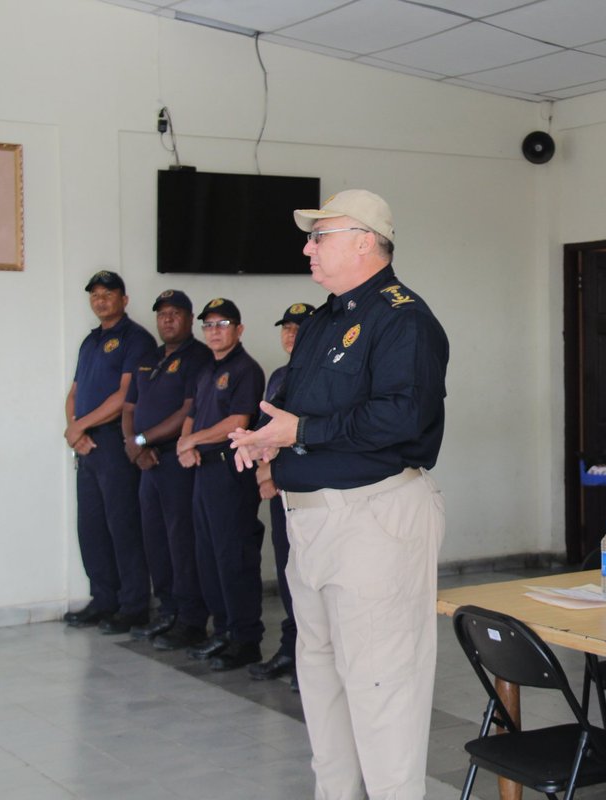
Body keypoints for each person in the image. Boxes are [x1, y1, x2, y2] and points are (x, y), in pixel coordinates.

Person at [229, 189, 449, 799]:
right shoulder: (327, 317)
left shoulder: (404, 318)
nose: (307, 247)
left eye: (319, 236)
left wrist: (302, 431)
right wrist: (270, 439)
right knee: (322, 683)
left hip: (373, 520)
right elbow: (300, 409)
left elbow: (405, 416)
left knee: (382, 689)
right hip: (312, 524)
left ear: (364, 241)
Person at [63, 270, 155, 632]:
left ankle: (132, 607)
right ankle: (103, 601)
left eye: (108, 294)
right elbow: (73, 393)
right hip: (87, 446)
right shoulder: (90, 342)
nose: (101, 300)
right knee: (92, 527)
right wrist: (75, 432)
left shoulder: (136, 339)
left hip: (115, 443)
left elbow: (124, 397)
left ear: (124, 299)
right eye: (95, 295)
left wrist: (79, 426)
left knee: (123, 526)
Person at [120, 290, 213, 647]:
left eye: (176, 314)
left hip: (176, 461)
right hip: (147, 463)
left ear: (190, 319)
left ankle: (190, 619)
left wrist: (141, 441)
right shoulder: (148, 357)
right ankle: (168, 610)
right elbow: (129, 408)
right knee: (155, 539)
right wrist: (134, 446)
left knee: (181, 541)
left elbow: (186, 412)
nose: (168, 320)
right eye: (162, 314)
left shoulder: (199, 357)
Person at [177, 298, 266, 671]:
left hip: (232, 472)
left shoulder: (246, 369)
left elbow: (238, 420)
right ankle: (224, 630)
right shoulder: (205, 370)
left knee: (234, 555)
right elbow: (192, 416)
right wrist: (186, 444)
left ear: (239, 329)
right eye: (208, 325)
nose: (214, 331)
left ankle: (246, 638)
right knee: (208, 554)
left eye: (222, 323)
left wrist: (192, 441)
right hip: (204, 471)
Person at [250, 301, 316, 690]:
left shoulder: (319, 376)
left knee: (310, 575)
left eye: (299, 328)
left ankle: (311, 659)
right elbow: (263, 431)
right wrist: (263, 471)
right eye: (286, 329)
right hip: (277, 488)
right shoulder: (278, 376)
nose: (291, 335)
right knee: (287, 569)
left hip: (305, 488)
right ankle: (291, 649)